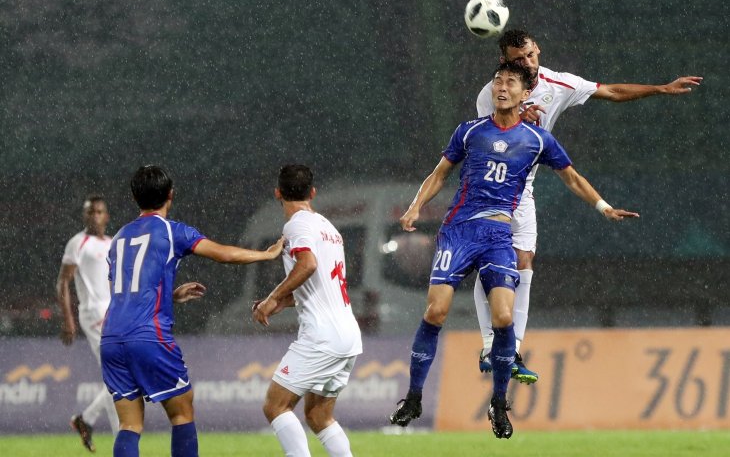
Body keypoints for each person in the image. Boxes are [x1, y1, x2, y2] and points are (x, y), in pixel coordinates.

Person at [389, 62, 638, 439]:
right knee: (436, 311)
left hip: (498, 236)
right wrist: (415, 206)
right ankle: (413, 396)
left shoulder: (537, 140)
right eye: (497, 81)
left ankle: (499, 405)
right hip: (458, 231)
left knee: (504, 318)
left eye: (510, 83)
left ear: (525, 95)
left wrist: (603, 206)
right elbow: (440, 172)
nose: (501, 87)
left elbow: (571, 177)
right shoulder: (470, 131)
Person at [473, 29, 702, 383]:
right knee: (491, 260)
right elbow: (493, 140)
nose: (528, 62)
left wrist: (660, 88)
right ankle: (490, 343)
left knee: (524, 262)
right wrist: (520, 113)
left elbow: (609, 91)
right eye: (519, 59)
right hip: (491, 185)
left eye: (531, 54)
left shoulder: (557, 84)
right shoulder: (493, 93)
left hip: (524, 188)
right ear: (505, 61)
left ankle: (512, 347)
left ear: (538, 51)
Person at [101, 165, 283, 457]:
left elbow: (124, 294)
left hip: (111, 336)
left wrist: (169, 296)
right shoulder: (173, 231)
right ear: (171, 195)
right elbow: (223, 254)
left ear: (135, 197)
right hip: (148, 335)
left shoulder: (119, 238)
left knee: (129, 425)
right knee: (182, 412)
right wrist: (267, 253)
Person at [253, 164, 362, 457]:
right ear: (312, 192)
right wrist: (282, 301)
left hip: (322, 336)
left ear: (277, 193)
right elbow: (320, 284)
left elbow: (308, 264)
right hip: (348, 334)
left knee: (275, 406)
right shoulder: (329, 228)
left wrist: (271, 297)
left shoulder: (296, 224)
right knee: (318, 417)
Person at [57, 196, 119, 452]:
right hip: (93, 315)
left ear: (106, 216)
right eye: (90, 212)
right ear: (85, 216)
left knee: (123, 377)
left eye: (99, 212)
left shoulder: (114, 242)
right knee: (119, 377)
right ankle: (121, 443)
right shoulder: (77, 243)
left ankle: (86, 419)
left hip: (114, 314)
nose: (94, 216)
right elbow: (63, 283)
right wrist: (68, 319)